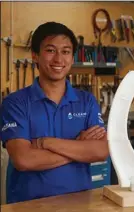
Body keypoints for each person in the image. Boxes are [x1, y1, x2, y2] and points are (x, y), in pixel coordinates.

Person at [0, 22, 109, 203]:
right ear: (35, 56)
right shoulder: (15, 103)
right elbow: (24, 159)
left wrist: (46, 143)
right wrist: (78, 148)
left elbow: (100, 150)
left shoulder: (86, 101)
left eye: (66, 52)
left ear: (72, 58)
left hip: (79, 203)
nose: (59, 59)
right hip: (28, 206)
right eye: (50, 51)